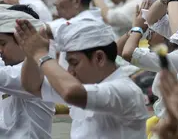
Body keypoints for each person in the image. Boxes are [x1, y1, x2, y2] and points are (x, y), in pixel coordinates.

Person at [17, 19, 149, 139]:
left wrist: (41, 54)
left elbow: (71, 93)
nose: (70, 71)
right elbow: (32, 85)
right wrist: (31, 55)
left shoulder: (125, 90)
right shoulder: (84, 85)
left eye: (74, 63)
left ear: (99, 58)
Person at [119, 0, 178, 138]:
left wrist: (138, 28)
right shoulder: (165, 54)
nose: (146, 37)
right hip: (162, 119)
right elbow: (117, 50)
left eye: (150, 32)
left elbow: (127, 53)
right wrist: (135, 27)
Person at [0, 5, 54, 139]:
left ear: (24, 41)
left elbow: (5, 77)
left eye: (2, 43)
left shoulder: (38, 70)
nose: (0, 50)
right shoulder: (9, 68)